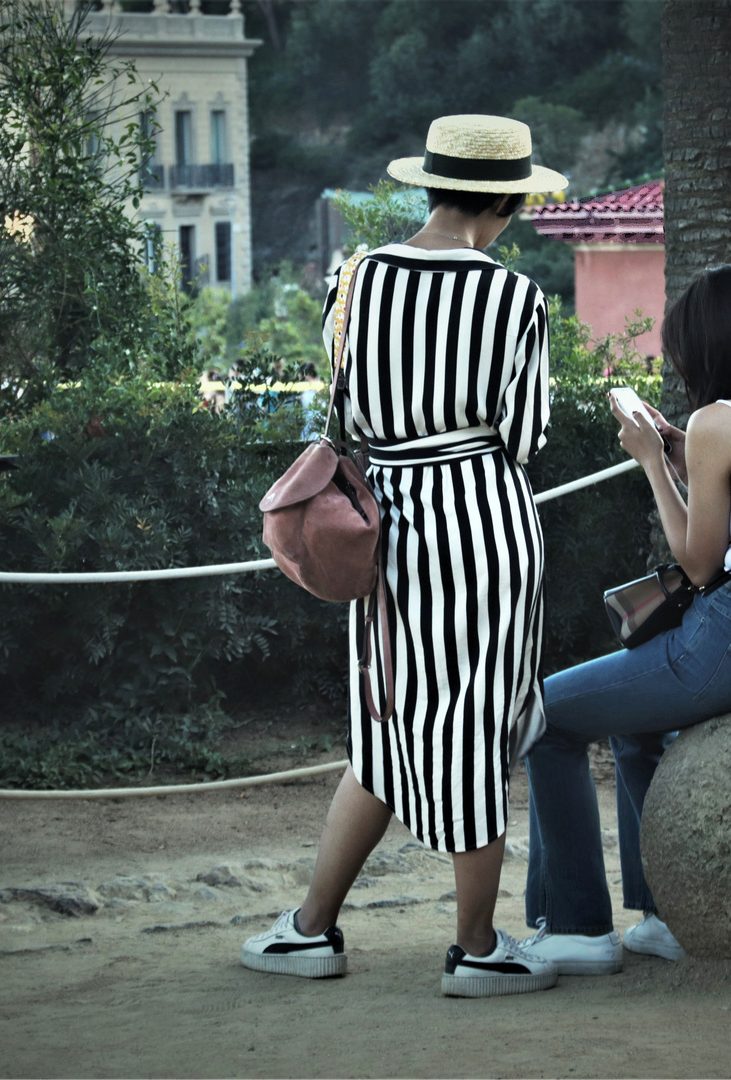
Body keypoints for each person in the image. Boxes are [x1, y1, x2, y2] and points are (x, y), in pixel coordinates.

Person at [239, 115, 568, 997]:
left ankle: (311, 932)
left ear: (427, 186)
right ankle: (474, 949)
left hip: (383, 521)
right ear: (503, 201)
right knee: (472, 726)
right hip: (481, 520)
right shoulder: (515, 299)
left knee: (386, 721)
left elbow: (342, 404)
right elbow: (524, 435)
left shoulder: (356, 276)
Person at [518, 263, 731, 972]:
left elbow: (701, 564)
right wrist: (688, 459)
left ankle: (576, 927)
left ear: (713, 346)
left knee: (545, 716)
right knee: (631, 729)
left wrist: (651, 460)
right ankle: (664, 914)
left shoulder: (721, 421)